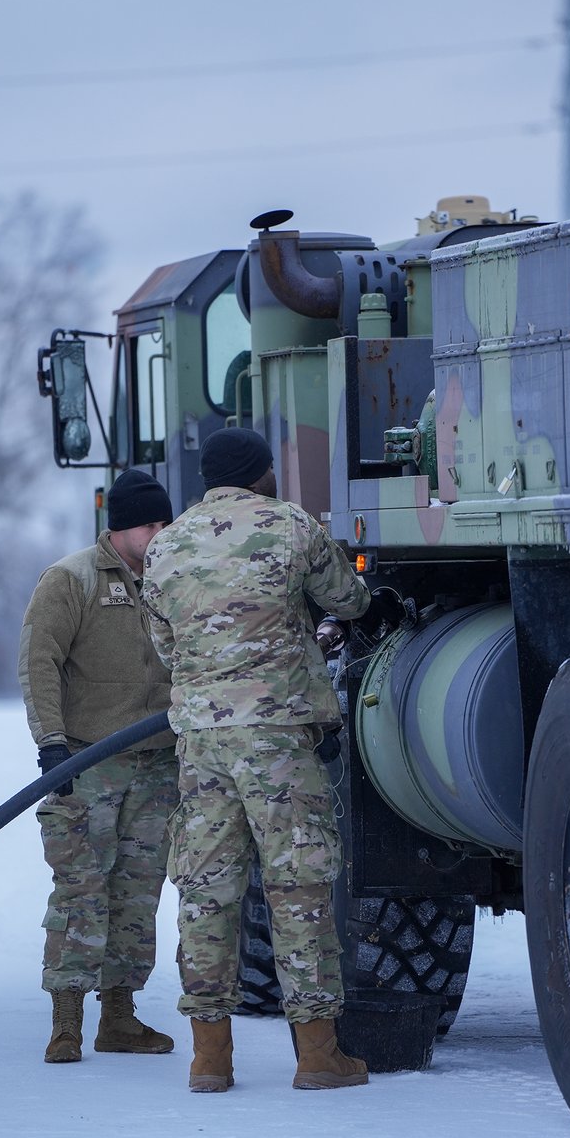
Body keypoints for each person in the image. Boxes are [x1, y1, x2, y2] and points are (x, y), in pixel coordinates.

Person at [143, 427, 372, 1093]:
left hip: (203, 742)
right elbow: (350, 600)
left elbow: (165, 645)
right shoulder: (291, 526)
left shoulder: (166, 546)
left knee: (206, 890)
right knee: (298, 886)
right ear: (262, 474)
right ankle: (317, 1055)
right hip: (277, 740)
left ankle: (209, 1058)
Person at [18, 468, 179, 1064]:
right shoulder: (71, 579)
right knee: (81, 892)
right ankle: (66, 1022)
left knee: (136, 895)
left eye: (166, 522)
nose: (160, 534)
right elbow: (39, 661)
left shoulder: (174, 578)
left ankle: (120, 1018)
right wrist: (52, 743)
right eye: (150, 524)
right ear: (120, 527)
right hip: (88, 764)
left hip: (157, 767)